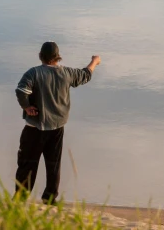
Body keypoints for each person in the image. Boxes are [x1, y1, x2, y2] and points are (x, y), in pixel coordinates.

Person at [14, 41, 101, 203]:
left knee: (27, 164)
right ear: (58, 57)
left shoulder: (33, 73)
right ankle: (49, 198)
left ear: (41, 56)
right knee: (53, 164)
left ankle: (20, 198)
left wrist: (27, 107)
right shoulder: (67, 73)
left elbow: (21, 91)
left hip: (34, 127)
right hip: (57, 128)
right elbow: (86, 75)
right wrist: (95, 61)